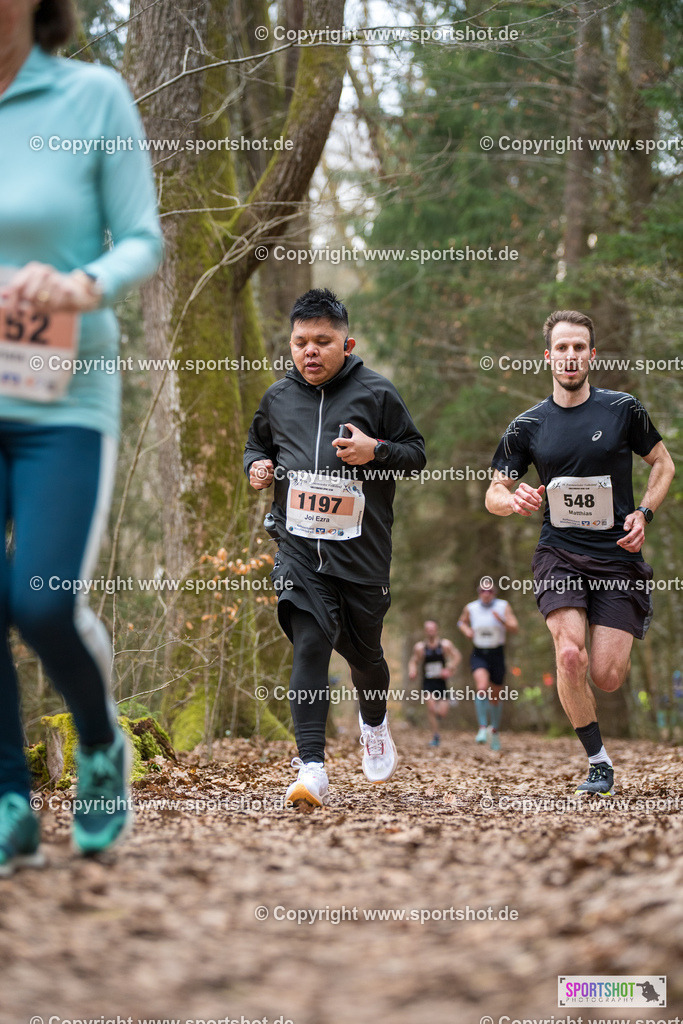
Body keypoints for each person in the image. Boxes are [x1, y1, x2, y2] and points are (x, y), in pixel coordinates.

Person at [0, 0, 163, 874]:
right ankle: (8, 803)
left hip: (62, 393)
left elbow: (142, 240)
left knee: (40, 599)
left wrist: (83, 284)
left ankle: (100, 747)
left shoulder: (91, 97)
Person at [245, 288, 426, 807]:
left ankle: (374, 724)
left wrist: (377, 451)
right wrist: (255, 467)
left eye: (323, 341)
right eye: (301, 341)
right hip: (299, 549)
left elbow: (416, 455)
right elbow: (257, 444)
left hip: (362, 553)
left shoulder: (377, 393)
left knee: (366, 654)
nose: (310, 352)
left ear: (346, 343)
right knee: (309, 643)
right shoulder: (278, 398)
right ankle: (312, 768)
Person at [485, 310, 674, 794]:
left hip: (616, 555)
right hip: (559, 553)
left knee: (607, 676)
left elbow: (663, 464)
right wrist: (515, 499)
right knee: (570, 656)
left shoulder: (623, 410)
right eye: (562, 348)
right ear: (548, 357)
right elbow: (494, 492)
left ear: (593, 354)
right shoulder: (527, 425)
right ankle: (598, 761)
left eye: (579, 347)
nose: (571, 356)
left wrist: (644, 514)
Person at [457, 582, 518, 750]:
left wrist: (502, 620)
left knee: (495, 696)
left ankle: (495, 730)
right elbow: (460, 622)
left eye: (489, 591)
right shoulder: (471, 607)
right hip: (479, 653)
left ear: (494, 593)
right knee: (482, 687)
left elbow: (515, 627)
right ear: (478, 592)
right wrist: (467, 630)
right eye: (483, 591)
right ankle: (482, 728)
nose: (486, 593)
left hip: (497, 652)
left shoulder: (503, 606)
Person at [408, 619, 461, 746]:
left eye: (433, 629)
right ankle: (436, 735)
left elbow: (457, 656)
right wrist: (412, 671)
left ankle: (448, 703)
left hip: (441, 683)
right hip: (428, 682)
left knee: (441, 713)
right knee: (431, 707)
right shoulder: (420, 647)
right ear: (425, 632)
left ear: (437, 630)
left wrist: (450, 668)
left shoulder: (445, 645)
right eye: (428, 630)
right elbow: (413, 661)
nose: (431, 632)